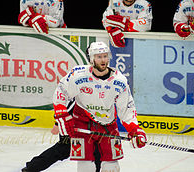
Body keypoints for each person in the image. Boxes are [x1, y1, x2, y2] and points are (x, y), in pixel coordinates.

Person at [53, 41, 147, 172]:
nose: (103, 60)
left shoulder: (119, 81)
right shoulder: (78, 75)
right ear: (91, 59)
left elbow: (126, 109)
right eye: (99, 57)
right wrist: (61, 113)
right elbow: (61, 91)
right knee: (86, 167)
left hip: (108, 125)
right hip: (82, 124)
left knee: (112, 167)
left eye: (105, 56)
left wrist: (134, 130)